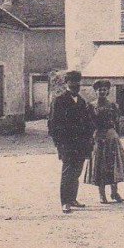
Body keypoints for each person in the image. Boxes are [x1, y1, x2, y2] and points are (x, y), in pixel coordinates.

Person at [48, 71, 96, 213]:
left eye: (78, 81)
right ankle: (65, 202)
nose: (76, 84)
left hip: (81, 143)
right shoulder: (59, 100)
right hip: (67, 143)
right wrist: (59, 143)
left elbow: (88, 122)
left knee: (77, 171)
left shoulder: (81, 101)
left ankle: (73, 199)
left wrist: (89, 139)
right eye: (72, 81)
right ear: (67, 83)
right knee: (68, 172)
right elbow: (52, 124)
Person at [85, 79, 124, 203]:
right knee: (100, 165)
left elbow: (117, 122)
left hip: (111, 136)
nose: (102, 92)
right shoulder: (91, 106)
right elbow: (88, 123)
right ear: (95, 91)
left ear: (108, 91)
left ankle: (115, 193)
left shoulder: (113, 105)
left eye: (104, 89)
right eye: (100, 90)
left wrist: (117, 134)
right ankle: (102, 194)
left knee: (113, 164)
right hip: (99, 137)